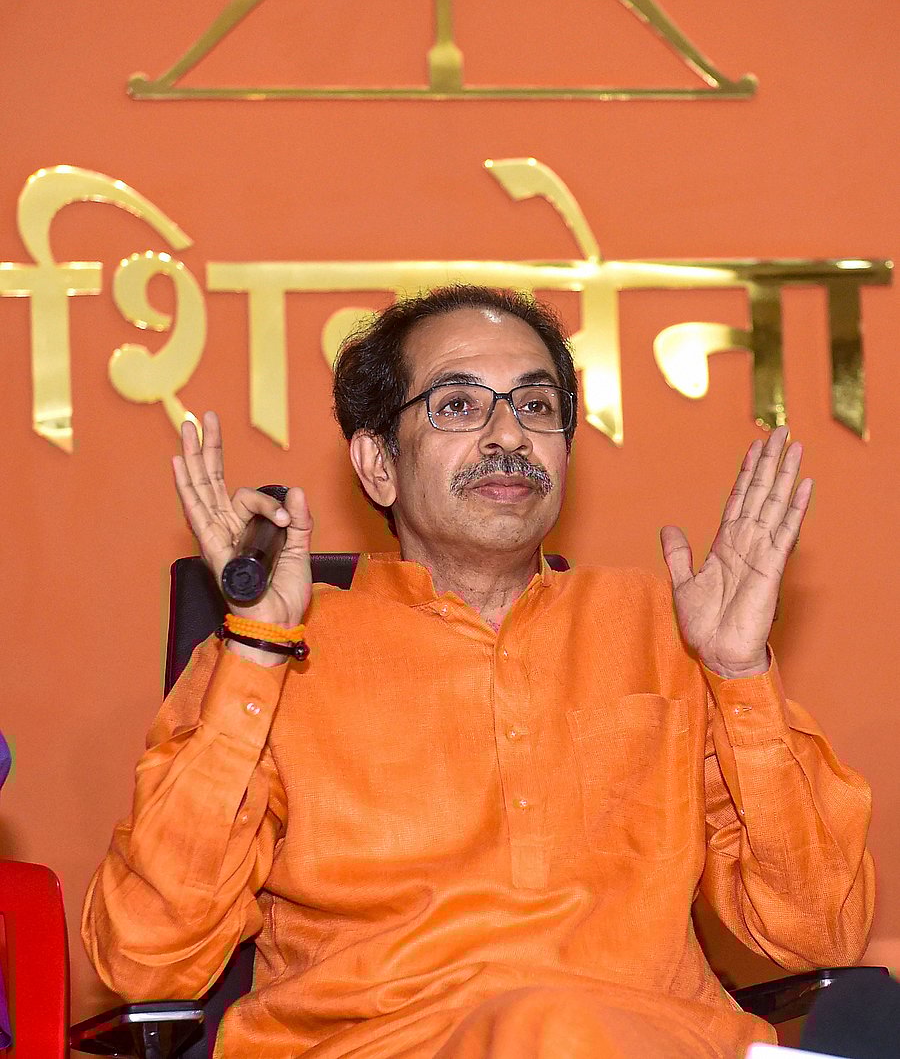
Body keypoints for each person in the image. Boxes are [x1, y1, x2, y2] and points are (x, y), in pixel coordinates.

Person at [83, 286, 874, 1059]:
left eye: (536, 407)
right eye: (458, 406)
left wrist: (738, 676)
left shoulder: (671, 627)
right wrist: (258, 650)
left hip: (658, 1037)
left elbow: (816, 932)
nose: (509, 436)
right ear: (378, 464)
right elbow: (146, 958)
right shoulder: (278, 650)